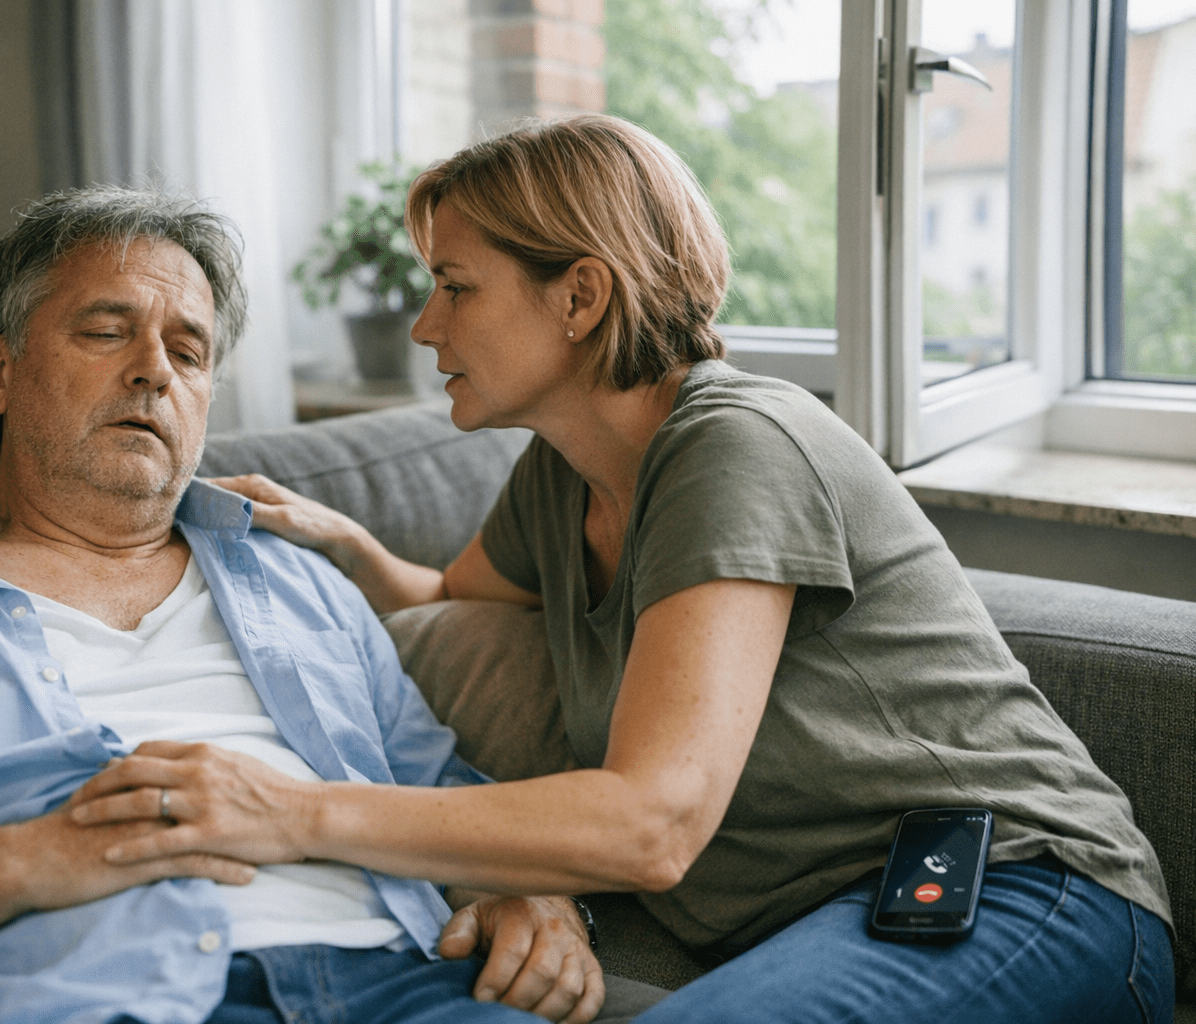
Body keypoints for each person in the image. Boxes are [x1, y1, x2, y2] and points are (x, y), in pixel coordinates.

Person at [70, 117, 1178, 1023]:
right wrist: (349, 549)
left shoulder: (736, 446)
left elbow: (652, 823)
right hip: (816, 913)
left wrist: (292, 812)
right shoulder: (564, 473)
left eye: (456, 286)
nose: (423, 325)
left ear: (580, 297)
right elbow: (450, 605)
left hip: (1017, 885)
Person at [0, 186, 663, 1024]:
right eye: (107, 331)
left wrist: (529, 893)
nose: (154, 367)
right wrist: (19, 862)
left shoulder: (303, 583)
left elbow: (439, 791)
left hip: (407, 987)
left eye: (188, 352)